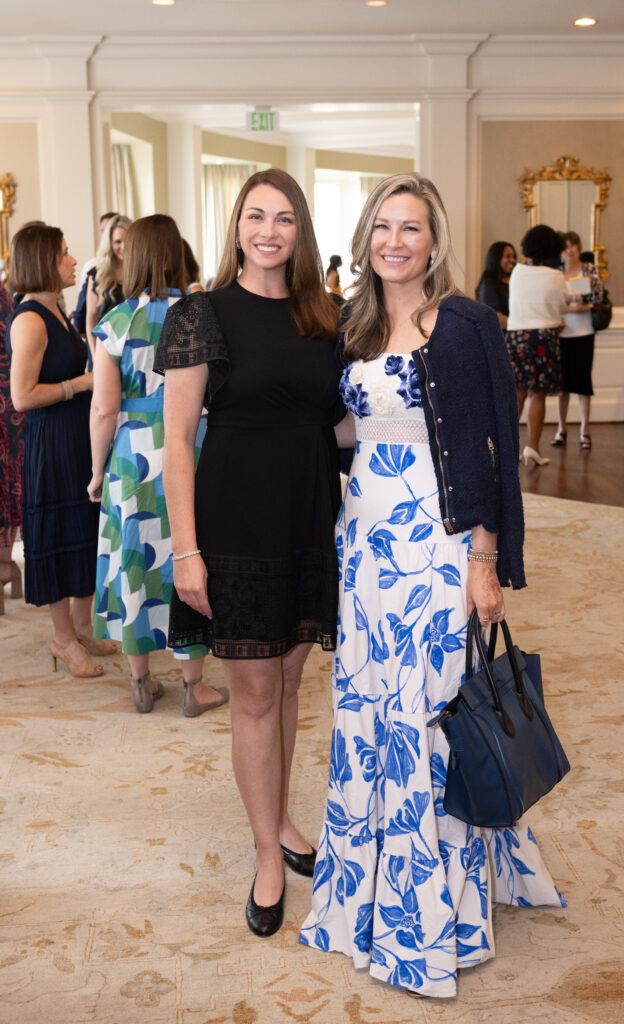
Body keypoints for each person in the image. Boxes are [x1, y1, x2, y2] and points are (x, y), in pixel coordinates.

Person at [299, 173, 564, 999]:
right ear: (365, 237)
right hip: (365, 548)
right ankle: (365, 887)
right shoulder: (349, 324)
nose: (394, 241)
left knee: (428, 714)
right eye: (382, 226)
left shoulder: (465, 325)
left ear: (434, 240)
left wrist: (484, 561)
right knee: (370, 708)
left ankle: (428, 914)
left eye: (410, 227)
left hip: (437, 549)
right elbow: (344, 427)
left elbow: (487, 446)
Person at [154, 169, 343, 937]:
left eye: (285, 218)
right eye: (255, 216)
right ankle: (268, 852)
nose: (269, 230)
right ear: (236, 227)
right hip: (233, 528)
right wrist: (186, 552)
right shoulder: (203, 313)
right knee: (255, 696)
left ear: (301, 233)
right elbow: (175, 440)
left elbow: (334, 427)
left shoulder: (322, 318)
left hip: (308, 524)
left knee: (290, 686)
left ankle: (283, 817)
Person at [87, 215, 224, 715]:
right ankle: (194, 685)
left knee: (135, 559)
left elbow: (104, 409)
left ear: (133, 256)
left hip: (132, 453)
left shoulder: (115, 322)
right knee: (186, 554)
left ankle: (141, 682)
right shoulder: (197, 314)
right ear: (177, 253)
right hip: (189, 445)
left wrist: (98, 471)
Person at [5, 223, 116, 676]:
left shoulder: (59, 310)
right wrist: (81, 384)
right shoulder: (30, 319)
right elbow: (22, 397)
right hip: (51, 442)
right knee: (55, 536)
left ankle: (81, 625)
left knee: (82, 530)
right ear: (44, 263)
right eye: (65, 254)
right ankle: (62, 639)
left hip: (73, 437)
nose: (74, 261)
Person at [505, 224, 567, 466]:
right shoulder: (556, 276)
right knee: (538, 395)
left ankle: (510, 449)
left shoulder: (517, 272)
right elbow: (560, 307)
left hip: (517, 336)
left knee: (517, 394)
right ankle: (533, 447)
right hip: (543, 337)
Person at [551, 232, 604, 451]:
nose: (570, 250)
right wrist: (575, 302)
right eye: (566, 247)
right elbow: (554, 300)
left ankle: (585, 430)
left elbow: (598, 296)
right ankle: (561, 428)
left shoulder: (589, 269)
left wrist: (570, 301)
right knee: (561, 387)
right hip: (561, 332)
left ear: (579, 248)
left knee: (583, 384)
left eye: (574, 246)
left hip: (584, 332)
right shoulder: (556, 272)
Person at [0, 281, 25, 615]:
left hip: (8, 395)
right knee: (8, 477)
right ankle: (6, 564)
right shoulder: (3, 294)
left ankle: (5, 566)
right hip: (10, 397)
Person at [85, 215, 131, 360]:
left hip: (134, 348)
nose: (123, 247)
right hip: (104, 350)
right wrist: (95, 356)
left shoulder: (141, 272)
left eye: (127, 241)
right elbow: (91, 317)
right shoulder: (97, 274)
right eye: (118, 241)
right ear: (109, 243)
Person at [71, 211, 117, 335]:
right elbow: (85, 307)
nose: (105, 235)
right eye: (103, 231)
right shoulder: (92, 267)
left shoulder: (134, 268)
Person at [475, 240, 516, 329]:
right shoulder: (488, 284)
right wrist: (521, 327)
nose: (512, 260)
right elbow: (494, 317)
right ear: (496, 259)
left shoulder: (515, 281)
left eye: (513, 256)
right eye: (508, 256)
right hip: (501, 337)